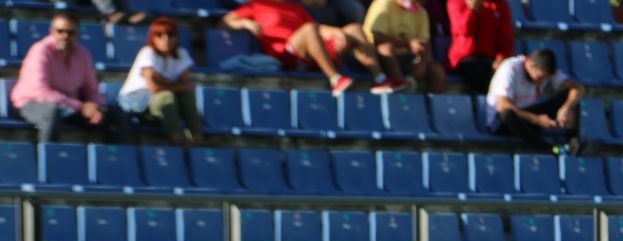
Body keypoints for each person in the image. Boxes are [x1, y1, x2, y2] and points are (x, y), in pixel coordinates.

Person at [223, 0, 393, 95]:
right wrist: (244, 22)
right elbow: (224, 21)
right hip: (286, 54)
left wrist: (338, 33)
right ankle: (335, 79)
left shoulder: (296, 7)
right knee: (308, 30)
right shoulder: (256, 5)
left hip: (312, 49)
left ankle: (380, 79)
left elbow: (317, 27)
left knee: (354, 29)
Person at [9, 10, 128, 143]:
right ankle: (49, 158)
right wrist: (81, 107)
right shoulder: (40, 51)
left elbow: (92, 90)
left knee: (115, 114)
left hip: (69, 106)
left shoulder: (83, 54)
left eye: (70, 32)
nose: (65, 36)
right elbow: (41, 92)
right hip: (31, 103)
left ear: (77, 34)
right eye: (60, 31)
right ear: (52, 31)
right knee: (52, 113)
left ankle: (114, 158)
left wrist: (96, 107)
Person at [117, 17, 204, 147]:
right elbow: (153, 89)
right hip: (135, 98)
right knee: (167, 97)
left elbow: (188, 86)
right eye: (159, 35)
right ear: (152, 37)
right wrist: (174, 86)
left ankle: (197, 140)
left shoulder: (181, 53)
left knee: (186, 97)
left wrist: (165, 83)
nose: (166, 39)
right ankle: (177, 142)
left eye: (170, 34)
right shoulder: (147, 53)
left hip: (159, 98)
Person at [486, 48, 584, 154]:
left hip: (529, 116)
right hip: (503, 122)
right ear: (531, 65)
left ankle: (572, 141)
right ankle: (546, 149)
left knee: (570, 98)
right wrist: (536, 120)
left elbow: (578, 88)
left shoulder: (545, 72)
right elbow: (502, 105)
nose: (541, 82)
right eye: (540, 78)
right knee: (507, 114)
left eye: (544, 79)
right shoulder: (510, 68)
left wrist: (567, 107)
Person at [363, 0, 446, 93]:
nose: (419, 3)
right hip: (379, 57)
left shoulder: (420, 11)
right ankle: (402, 87)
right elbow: (376, 37)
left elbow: (425, 42)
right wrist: (408, 43)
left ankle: (433, 103)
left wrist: (422, 64)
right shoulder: (384, 3)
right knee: (386, 48)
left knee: (437, 71)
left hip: (408, 57)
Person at [445, 0, 514, 94]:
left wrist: (501, 58)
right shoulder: (456, 2)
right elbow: (463, 30)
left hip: (489, 60)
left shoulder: (500, 4)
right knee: (488, 76)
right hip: (464, 59)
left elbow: (506, 39)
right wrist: (472, 9)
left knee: (508, 74)